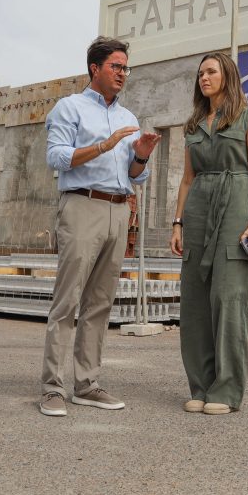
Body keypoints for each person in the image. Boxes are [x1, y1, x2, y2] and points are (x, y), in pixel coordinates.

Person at [40, 36, 161, 417]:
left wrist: (140, 157)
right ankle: (52, 388)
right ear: (95, 68)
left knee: (100, 303)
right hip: (81, 205)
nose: (123, 74)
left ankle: (86, 385)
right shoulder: (69, 107)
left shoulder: (128, 119)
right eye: (116, 67)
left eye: (126, 68)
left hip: (118, 209)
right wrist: (103, 146)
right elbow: (56, 157)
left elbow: (135, 177)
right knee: (68, 300)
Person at [170, 52, 248, 415]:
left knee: (228, 298)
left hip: (235, 209)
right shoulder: (194, 125)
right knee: (194, 300)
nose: (204, 78)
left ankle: (226, 389)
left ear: (227, 75)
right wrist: (177, 222)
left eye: (211, 71)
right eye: (200, 74)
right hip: (197, 212)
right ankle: (201, 384)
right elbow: (186, 179)